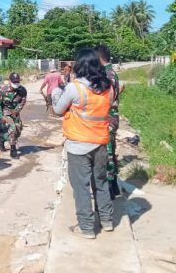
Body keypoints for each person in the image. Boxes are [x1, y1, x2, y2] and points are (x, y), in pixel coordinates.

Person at [53, 49, 114, 239]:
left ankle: (87, 227)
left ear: (80, 65)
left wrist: (56, 92)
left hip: (79, 145)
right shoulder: (108, 88)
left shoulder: (75, 88)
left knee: (81, 187)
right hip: (101, 142)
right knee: (101, 183)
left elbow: (57, 110)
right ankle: (107, 221)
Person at [95, 45, 124, 199]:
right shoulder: (111, 72)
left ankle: (111, 186)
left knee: (107, 152)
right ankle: (114, 186)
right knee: (110, 149)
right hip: (112, 116)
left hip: (108, 117)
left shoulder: (107, 74)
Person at [0, 73, 27, 159]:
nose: (16, 83)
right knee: (12, 128)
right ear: (10, 81)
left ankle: (1, 139)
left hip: (15, 112)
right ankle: (13, 150)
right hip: (6, 112)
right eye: (14, 82)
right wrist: (1, 116)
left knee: (18, 131)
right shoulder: (2, 91)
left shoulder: (22, 90)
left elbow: (22, 102)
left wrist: (16, 110)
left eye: (17, 81)